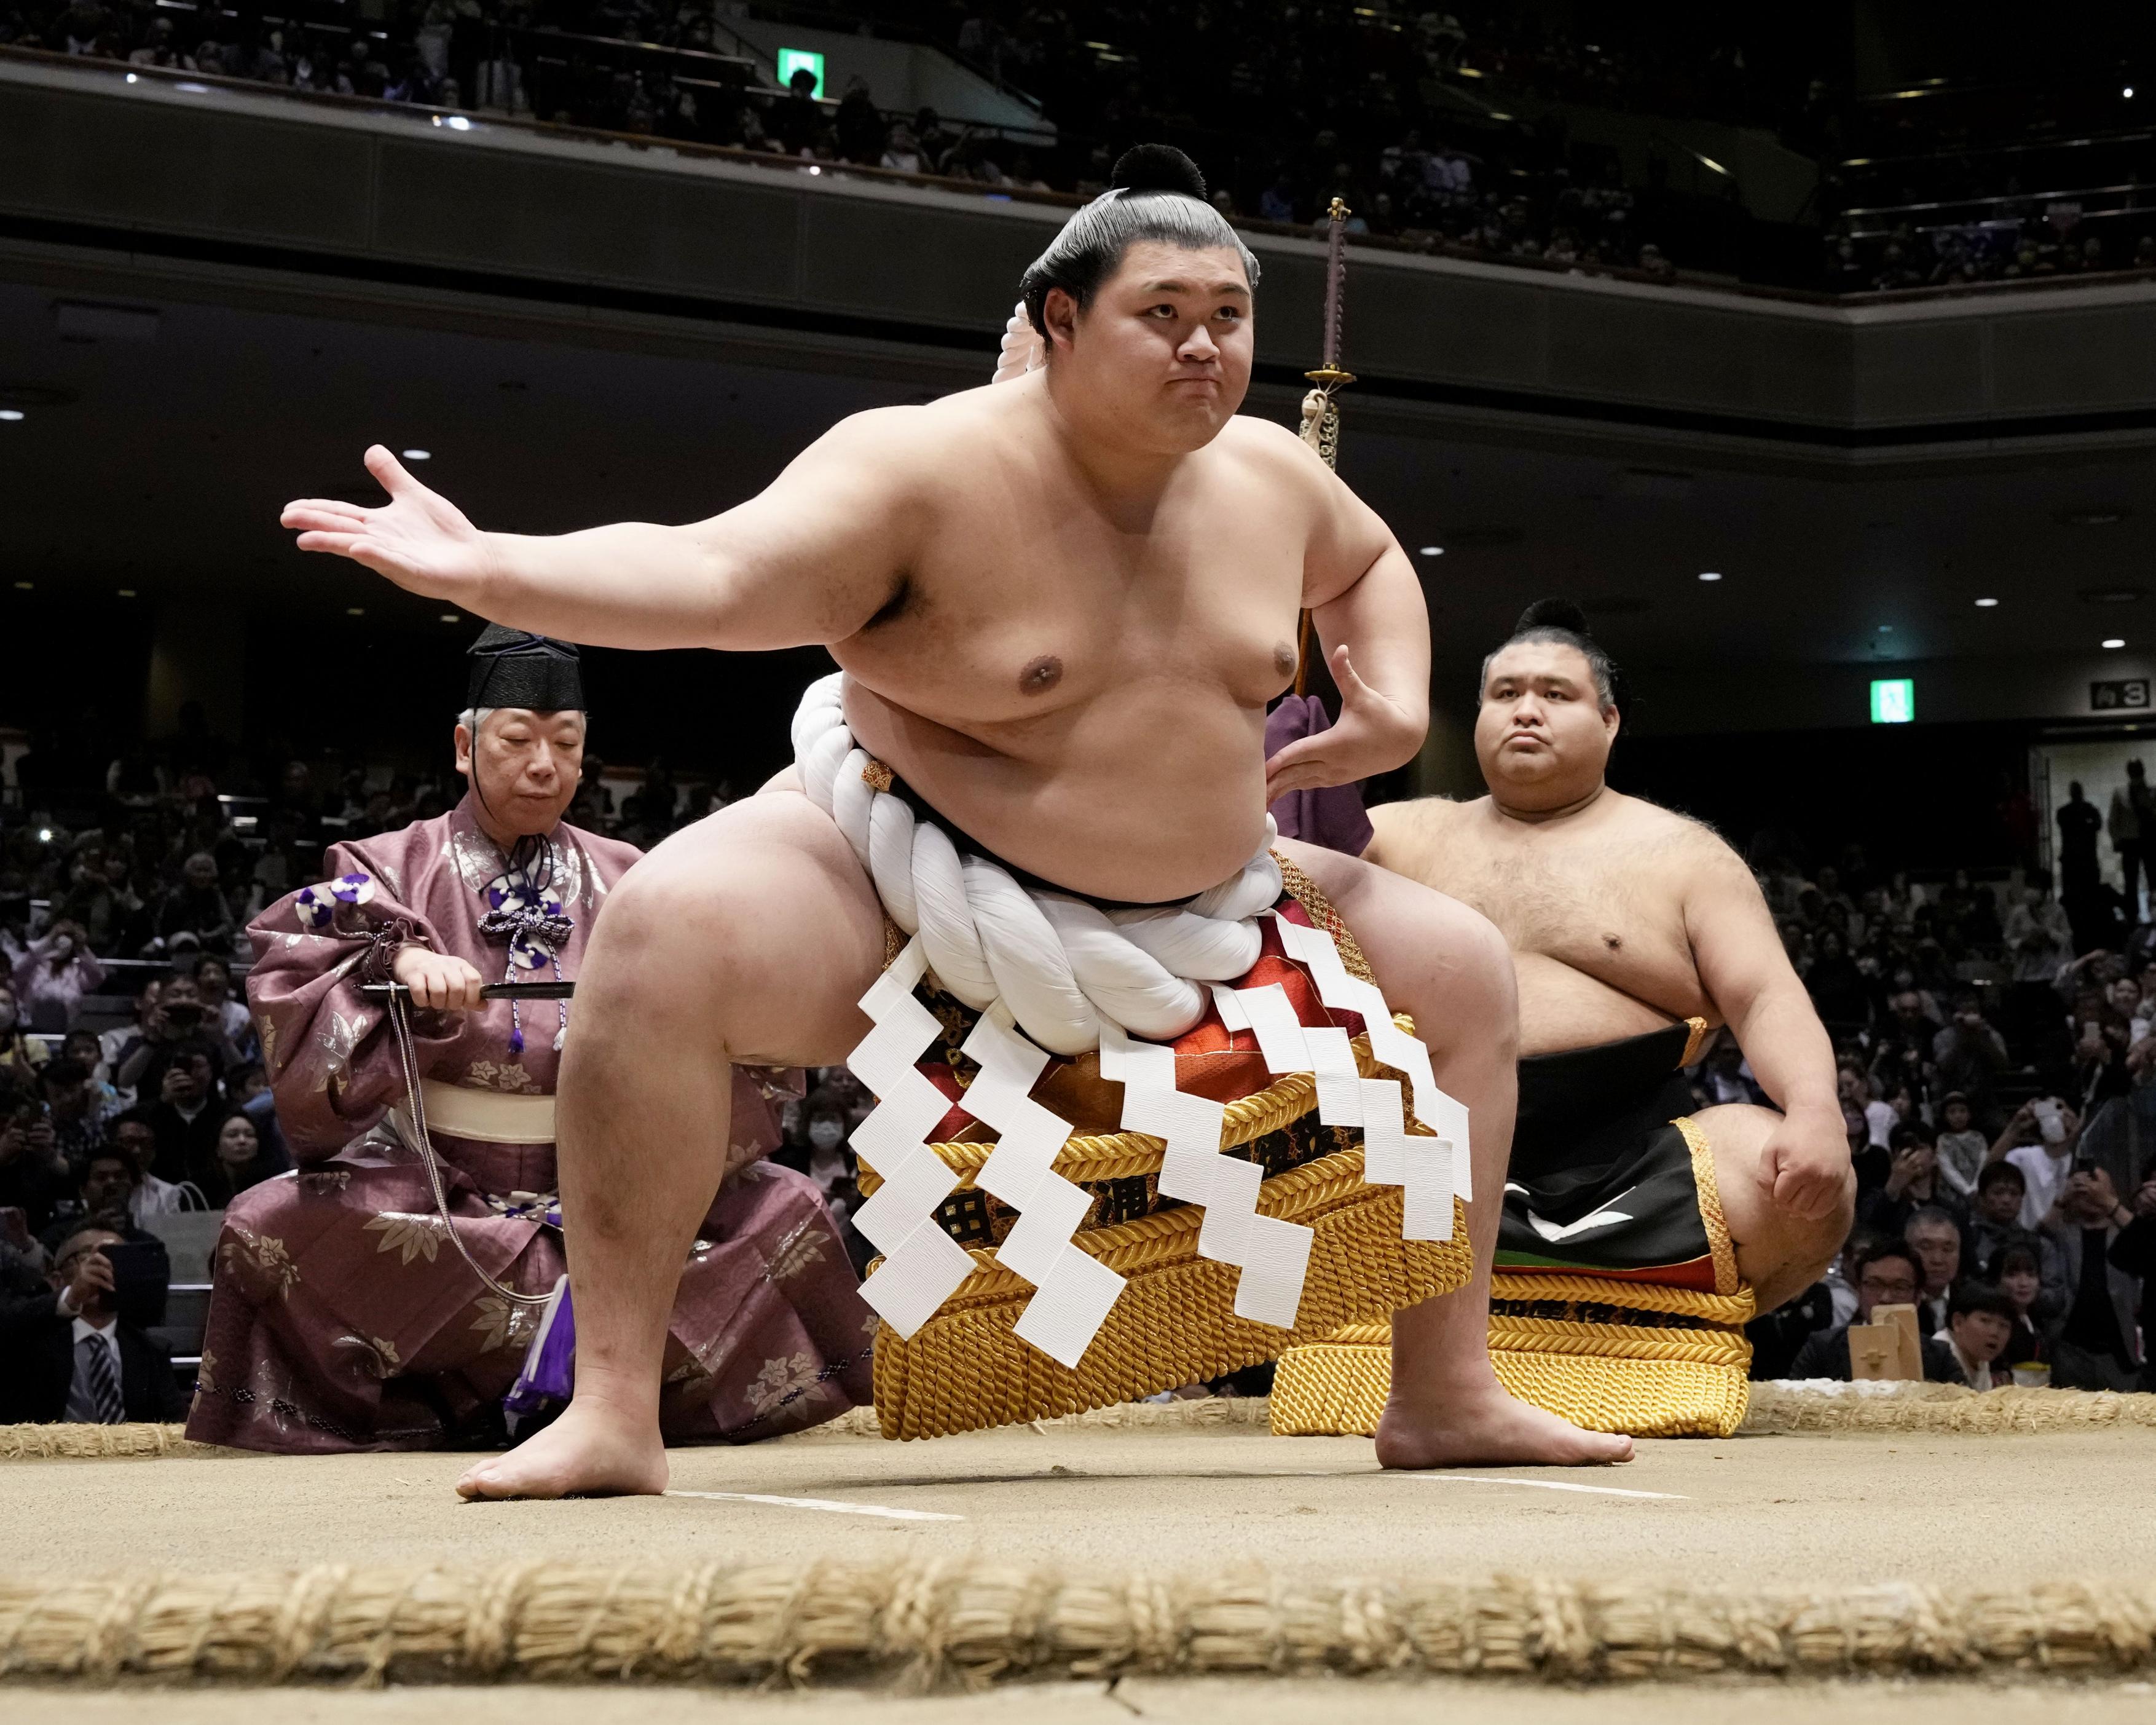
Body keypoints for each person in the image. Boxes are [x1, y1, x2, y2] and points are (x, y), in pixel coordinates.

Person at [279, 144, 1623, 1496]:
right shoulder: (919, 468)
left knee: (1457, 969)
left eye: (1226, 315)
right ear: (1058, 322)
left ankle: (1443, 1387)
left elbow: (1368, 557)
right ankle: (613, 1406)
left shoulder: (1269, 473)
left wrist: (1386, 702)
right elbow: (708, 568)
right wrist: (490, 566)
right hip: (900, 872)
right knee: (664, 926)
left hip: (1212, 908)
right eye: (1159, 313)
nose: (1201, 345)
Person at [186, 628, 870, 1456]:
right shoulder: (390, 862)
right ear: (464, 745)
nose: (543, 762)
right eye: (517, 739)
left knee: (788, 1205)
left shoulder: (634, 873)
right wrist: (403, 961)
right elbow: (314, 934)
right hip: (446, 1192)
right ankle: (424, 1410)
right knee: (268, 1222)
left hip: (624, 1180)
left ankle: (637, 1411)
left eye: (566, 742)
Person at [1359, 602, 1853, 1322]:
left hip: (1623, 1161)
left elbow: (1761, 997)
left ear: (1610, 721)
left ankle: (1640, 1322)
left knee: (1790, 1183)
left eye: (1555, 695)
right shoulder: (1389, 838)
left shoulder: (1684, 856)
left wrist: (1815, 1111)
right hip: (1415, 1150)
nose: (1526, 711)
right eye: (1505, 694)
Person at [0, 1224, 188, 1423]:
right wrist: (72, 1297)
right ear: (57, 1280)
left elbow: (175, 1424)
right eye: (89, 1257)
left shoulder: (149, 1349)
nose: (104, 1267)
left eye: (115, 1258)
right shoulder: (29, 1339)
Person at [1785, 1238, 1958, 1381]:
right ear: (1859, 1291)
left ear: (1918, 1297)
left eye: (1900, 1287)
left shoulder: (1940, 1357)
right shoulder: (1822, 1348)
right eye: (1874, 1285)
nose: (1886, 1298)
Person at [2044, 1165, 2142, 1391]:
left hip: (2120, 1353)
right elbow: (2037, 1237)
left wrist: (2110, 1204)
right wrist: (2062, 1198)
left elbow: (2146, 1240)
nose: (2089, 1193)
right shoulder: (2063, 1232)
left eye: (2096, 1186)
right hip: (2069, 1350)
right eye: (2081, 1188)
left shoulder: (2126, 1234)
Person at [1935, 1283, 2016, 1390]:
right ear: (1958, 1322)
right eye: (1985, 1321)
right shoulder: (1938, 1357)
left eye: (2004, 1325)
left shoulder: (1979, 1358)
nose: (1995, 1332)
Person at [1904, 1205, 1961, 1335]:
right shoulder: (1892, 1301)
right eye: (1925, 1248)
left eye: (1948, 1249)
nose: (1938, 1260)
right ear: (1907, 1250)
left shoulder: (1972, 1301)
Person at [1932, 1092, 1988, 1201]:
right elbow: (1947, 1168)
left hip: (1978, 1189)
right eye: (1952, 1112)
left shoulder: (1978, 1137)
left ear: (1970, 1114)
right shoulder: (1943, 1140)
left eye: (1962, 1111)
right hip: (1952, 1194)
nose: (1958, 1116)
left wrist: (1975, 1187)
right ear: (1945, 1116)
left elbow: (1984, 1163)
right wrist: (1966, 1190)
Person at [2112, 763, 2146, 921]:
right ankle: (2132, 914)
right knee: (2131, 880)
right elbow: (2114, 819)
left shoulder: (2150, 792)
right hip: (2131, 841)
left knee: (2149, 878)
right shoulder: (2121, 793)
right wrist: (2117, 839)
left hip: (2147, 840)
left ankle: (2141, 912)